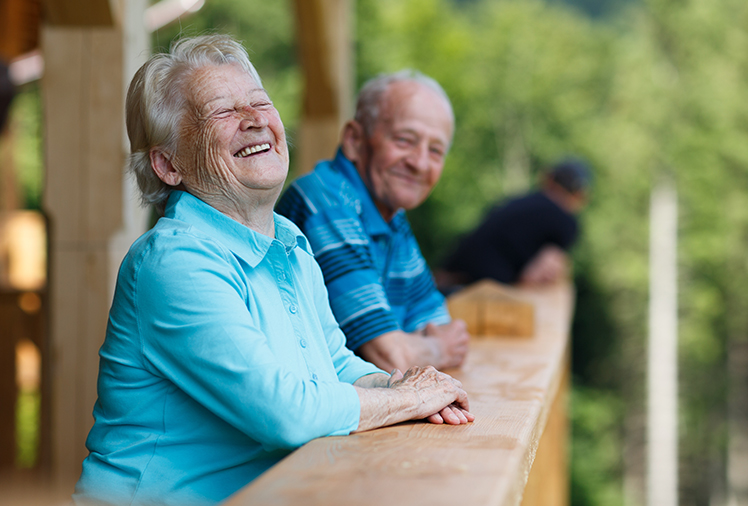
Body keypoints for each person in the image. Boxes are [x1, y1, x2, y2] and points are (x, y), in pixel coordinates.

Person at [72, 35, 473, 506]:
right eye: (222, 112)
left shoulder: (290, 242)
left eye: (261, 103)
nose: (256, 119)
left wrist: (414, 388)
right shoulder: (173, 261)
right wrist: (407, 400)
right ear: (168, 164)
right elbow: (284, 412)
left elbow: (335, 363)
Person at [275, 71, 469, 373]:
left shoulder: (390, 214)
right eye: (405, 140)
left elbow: (435, 319)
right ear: (354, 139)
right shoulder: (327, 201)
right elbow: (389, 357)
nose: (419, 163)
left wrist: (412, 344)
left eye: (435, 151)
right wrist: (434, 349)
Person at [437, 158, 591, 288]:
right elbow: (535, 276)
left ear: (548, 178)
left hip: (447, 277)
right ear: (580, 195)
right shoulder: (566, 221)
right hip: (485, 289)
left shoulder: (516, 201)